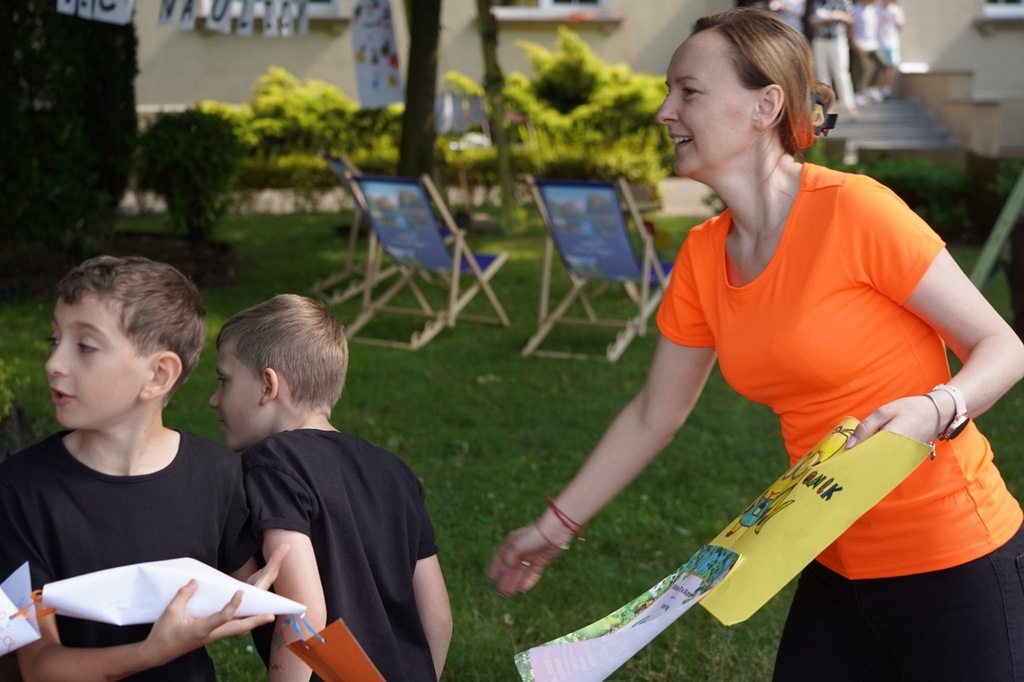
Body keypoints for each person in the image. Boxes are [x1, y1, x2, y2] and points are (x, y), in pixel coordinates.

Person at [489, 7, 1024, 680]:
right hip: (830, 559)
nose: (664, 111)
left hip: (957, 559)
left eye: (689, 91)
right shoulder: (703, 255)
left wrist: (936, 407)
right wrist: (555, 526)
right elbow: (656, 412)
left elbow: (1002, 345)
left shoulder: (854, 211)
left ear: (765, 105)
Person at [0, 255, 285, 681]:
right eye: (53, 339)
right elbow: (39, 667)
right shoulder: (19, 489)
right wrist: (153, 651)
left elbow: (256, 601)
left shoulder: (218, 476)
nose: (53, 363)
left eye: (85, 347)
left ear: (158, 375)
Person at [209, 293, 452, 681]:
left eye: (224, 381)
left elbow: (303, 609)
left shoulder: (271, 462)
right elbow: (437, 616)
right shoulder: (393, 470)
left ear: (268, 386)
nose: (213, 400)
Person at [809, 0, 859, 119]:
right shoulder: (818, 2)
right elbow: (812, 20)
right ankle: (826, 107)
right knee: (822, 74)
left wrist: (834, 15)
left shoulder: (843, 2)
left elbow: (851, 18)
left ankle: (849, 106)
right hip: (820, 40)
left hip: (837, 40)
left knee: (841, 73)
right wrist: (821, 19)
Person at [851, 0, 886, 103]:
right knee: (863, 68)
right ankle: (858, 92)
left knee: (880, 63)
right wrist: (855, 42)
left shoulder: (874, 9)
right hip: (861, 43)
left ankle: (870, 88)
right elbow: (851, 28)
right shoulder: (855, 9)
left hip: (873, 44)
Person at [877, 0, 905, 99]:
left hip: (891, 43)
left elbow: (900, 26)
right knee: (879, 67)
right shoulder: (877, 9)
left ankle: (886, 90)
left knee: (890, 67)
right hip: (878, 43)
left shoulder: (896, 10)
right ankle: (877, 90)